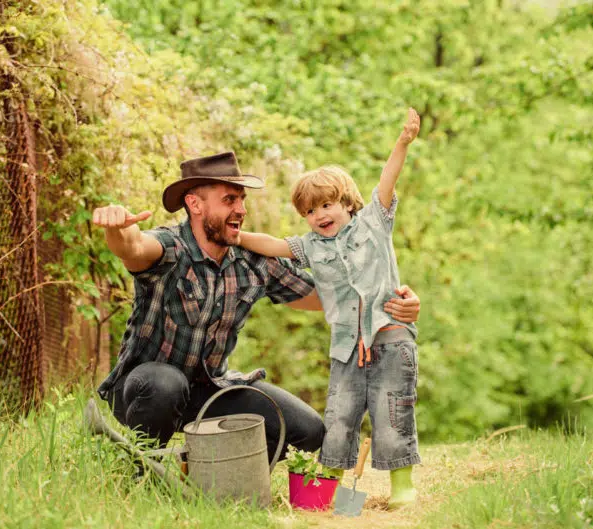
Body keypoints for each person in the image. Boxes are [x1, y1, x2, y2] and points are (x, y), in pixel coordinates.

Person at [92, 151, 421, 465]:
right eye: (229, 200)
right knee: (165, 383)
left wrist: (395, 304)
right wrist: (117, 228)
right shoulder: (170, 247)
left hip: (211, 390)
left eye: (241, 199)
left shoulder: (253, 262)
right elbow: (133, 247)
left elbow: (333, 296)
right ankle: (140, 470)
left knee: (309, 432)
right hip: (146, 390)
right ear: (194, 204)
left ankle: (208, 473)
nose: (240, 209)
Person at [237, 108, 422, 508]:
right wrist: (236, 235)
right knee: (339, 418)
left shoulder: (374, 222)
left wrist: (402, 142)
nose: (319, 215)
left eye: (326, 205)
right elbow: (273, 245)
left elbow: (387, 181)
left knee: (392, 413)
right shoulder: (310, 247)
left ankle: (402, 487)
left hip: (389, 337)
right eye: (309, 211)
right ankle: (332, 494)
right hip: (345, 348)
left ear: (347, 203)